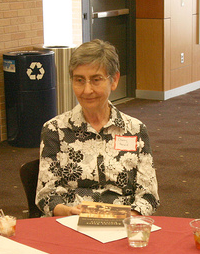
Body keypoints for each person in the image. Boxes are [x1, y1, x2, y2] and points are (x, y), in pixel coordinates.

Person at [36, 39, 160, 217]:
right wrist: (69, 211)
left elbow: (149, 196)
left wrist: (127, 217)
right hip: (72, 224)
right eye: (79, 80)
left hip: (123, 224)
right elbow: (46, 195)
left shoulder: (135, 130)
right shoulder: (55, 130)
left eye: (96, 80)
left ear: (114, 80)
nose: (87, 90)